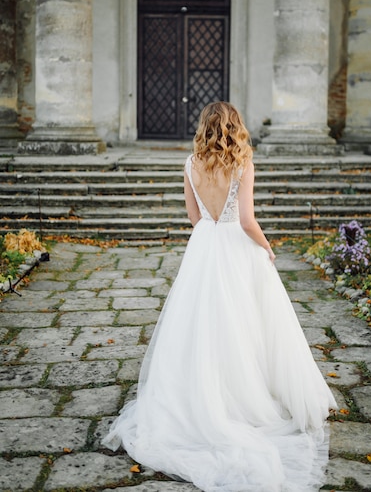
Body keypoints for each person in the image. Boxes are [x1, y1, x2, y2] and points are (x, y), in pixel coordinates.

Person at [103, 101, 337, 491]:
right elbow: (246, 221)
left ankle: (200, 394)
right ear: (235, 127)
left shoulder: (190, 165)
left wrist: (211, 232)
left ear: (204, 127)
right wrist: (267, 247)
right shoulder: (242, 163)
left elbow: (195, 219)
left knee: (201, 324)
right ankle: (245, 399)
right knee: (248, 324)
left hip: (205, 245)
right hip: (235, 247)